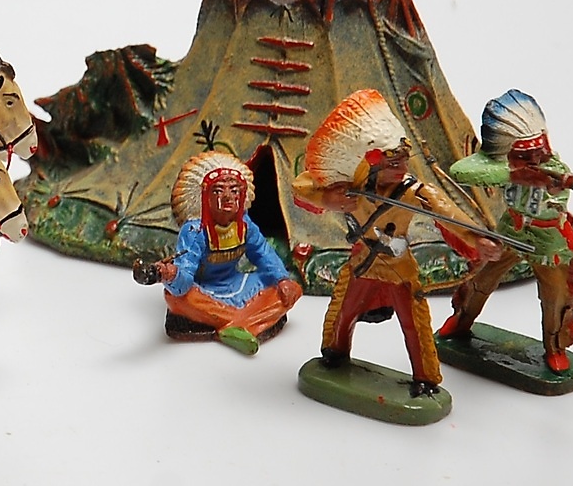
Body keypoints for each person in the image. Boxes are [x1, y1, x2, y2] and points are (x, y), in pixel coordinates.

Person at [292, 90, 500, 397]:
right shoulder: (352, 189)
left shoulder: (415, 192)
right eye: (393, 163)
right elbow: (301, 186)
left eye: (403, 161)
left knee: (413, 324)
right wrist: (328, 199)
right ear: (373, 164)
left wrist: (477, 238)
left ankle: (425, 378)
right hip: (363, 263)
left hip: (399, 268)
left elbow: (448, 214)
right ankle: (335, 354)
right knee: (344, 314)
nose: (401, 168)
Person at [437, 90, 573, 373]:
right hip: (511, 230)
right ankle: (462, 319)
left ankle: (555, 347)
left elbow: (555, 203)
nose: (535, 158)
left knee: (555, 297)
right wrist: (513, 174)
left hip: (548, 238)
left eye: (539, 150)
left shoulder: (555, 169)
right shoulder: (505, 165)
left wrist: (549, 188)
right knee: (482, 277)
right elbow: (461, 172)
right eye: (526, 154)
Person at [134, 151, 302, 354]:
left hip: (238, 285)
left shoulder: (244, 225)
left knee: (291, 288)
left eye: (234, 190)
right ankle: (248, 322)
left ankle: (233, 325)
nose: (228, 197)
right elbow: (185, 276)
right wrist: (170, 274)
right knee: (175, 297)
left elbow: (263, 254)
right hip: (204, 291)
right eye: (218, 191)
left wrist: (282, 279)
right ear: (204, 196)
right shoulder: (195, 231)